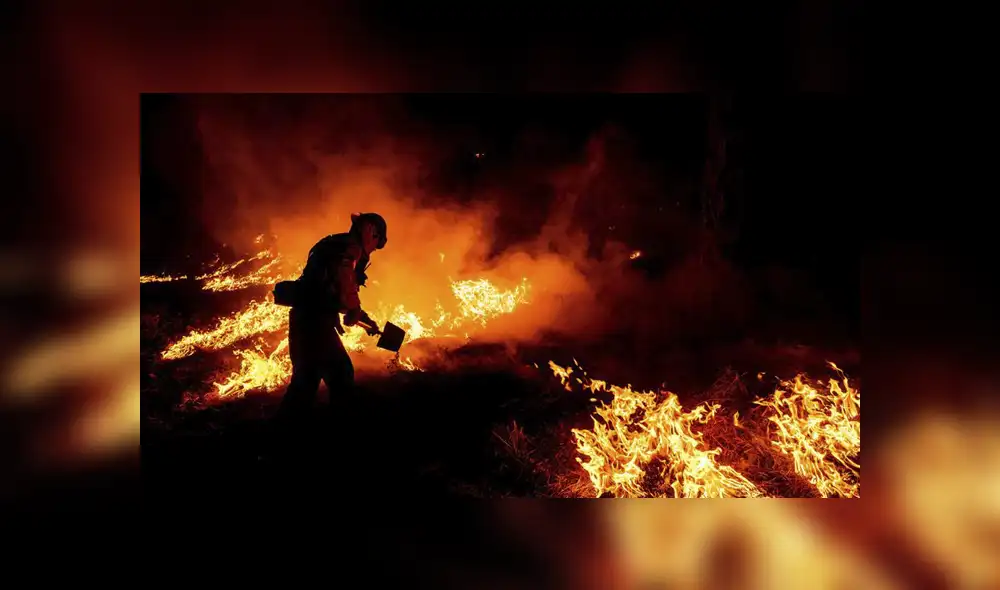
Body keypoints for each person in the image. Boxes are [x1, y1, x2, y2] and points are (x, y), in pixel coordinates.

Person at [274, 212, 387, 430]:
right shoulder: (349, 250)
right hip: (314, 323)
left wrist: (362, 318)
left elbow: (333, 291)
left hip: (307, 319)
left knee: (306, 381)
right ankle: (338, 433)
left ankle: (283, 435)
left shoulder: (335, 245)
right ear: (370, 232)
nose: (373, 249)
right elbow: (343, 280)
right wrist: (354, 310)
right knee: (340, 374)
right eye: (376, 242)